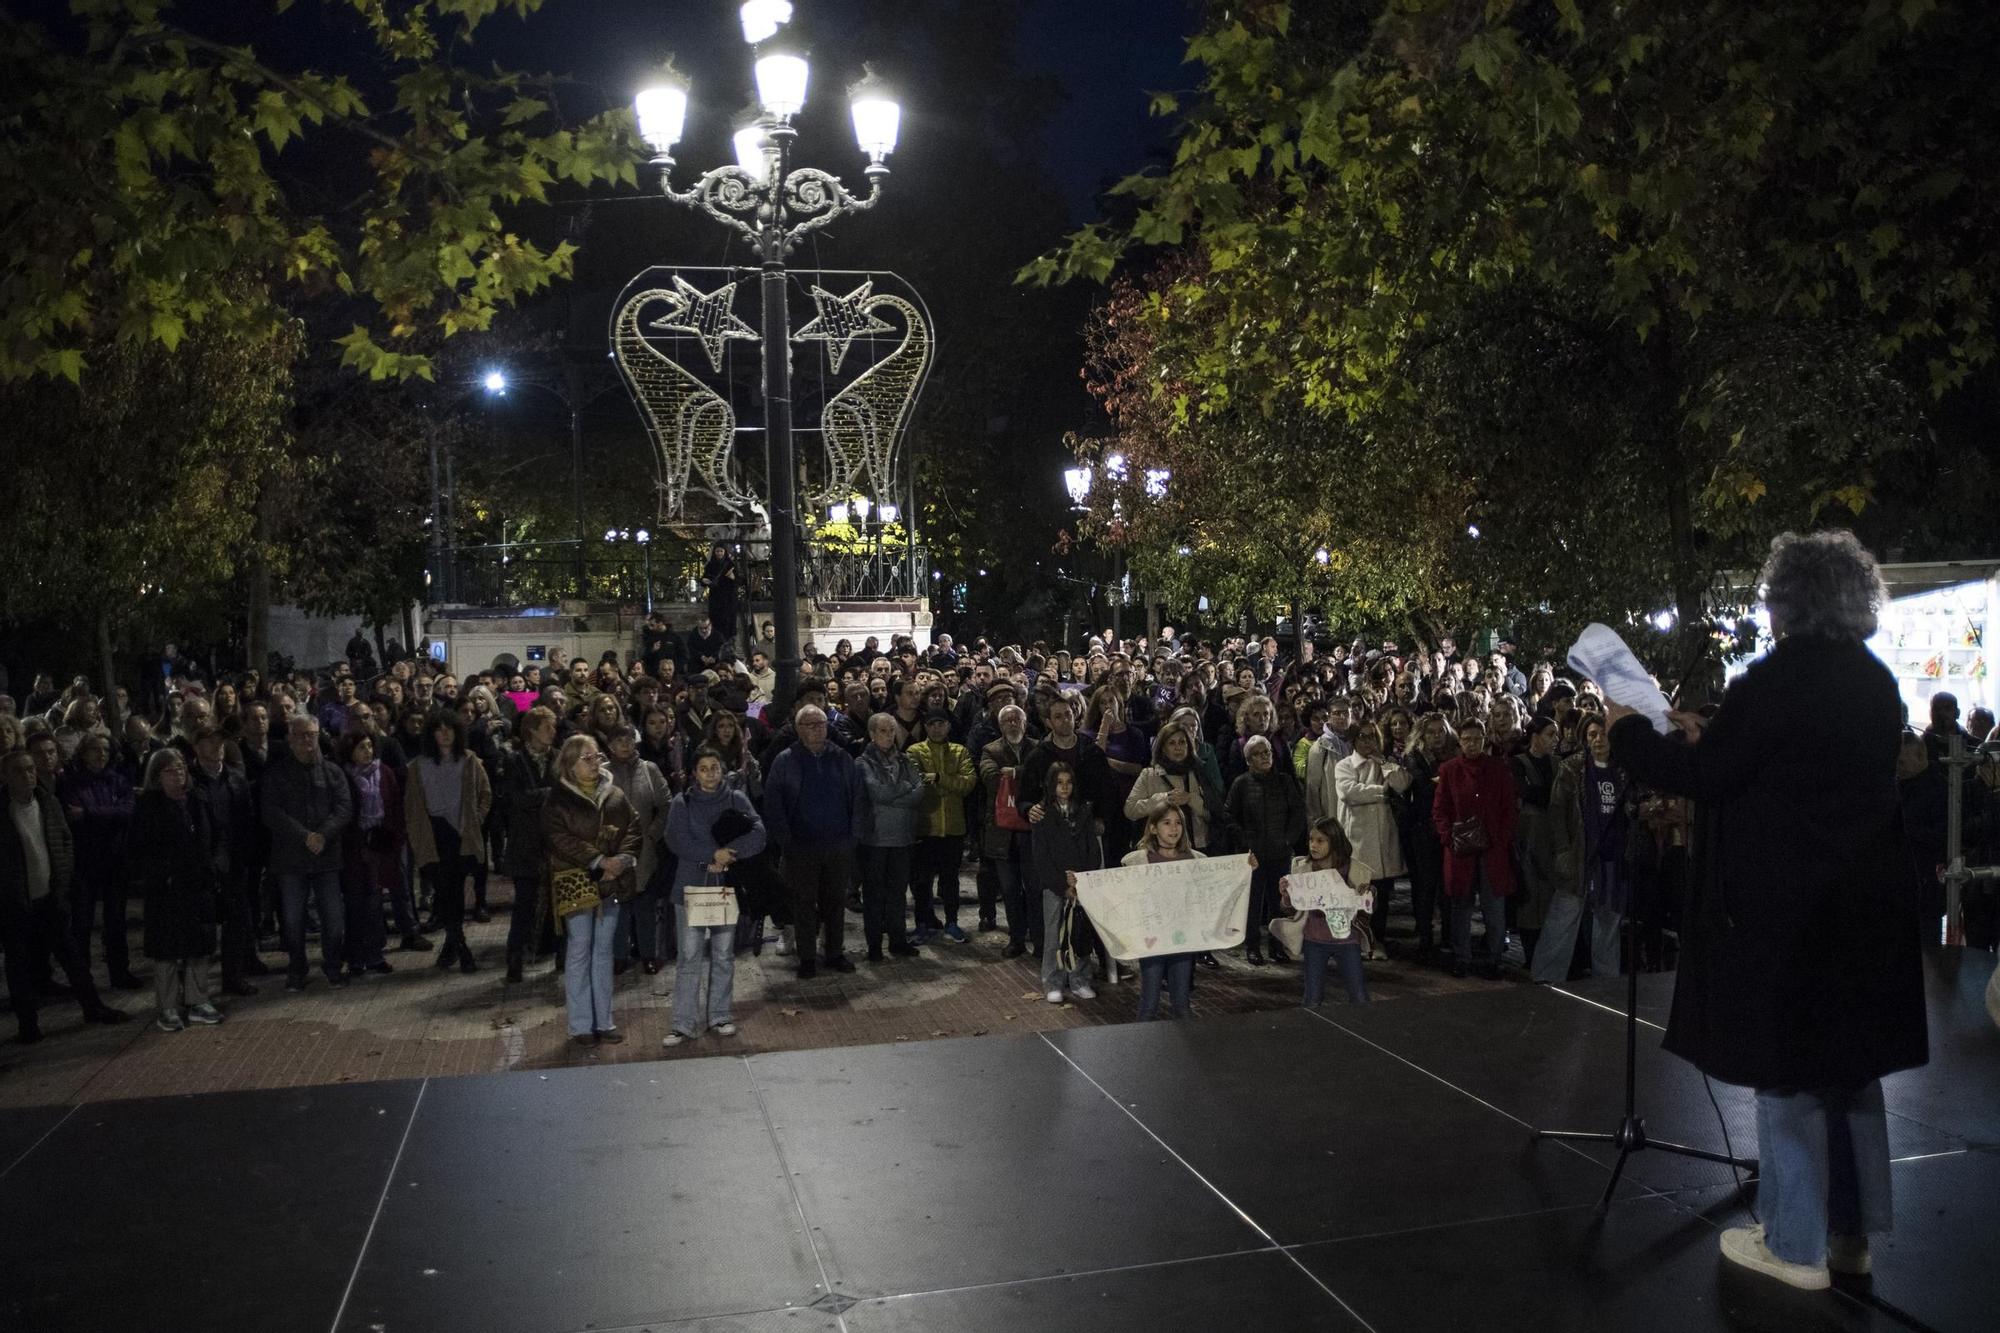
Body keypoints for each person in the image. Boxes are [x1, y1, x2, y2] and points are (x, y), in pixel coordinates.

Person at [1607, 530, 1927, 1291]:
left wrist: (1627, 732)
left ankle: (1792, 1244)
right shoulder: (1875, 683)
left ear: (1786, 604)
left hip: (1792, 912)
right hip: (1869, 909)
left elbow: (1709, 779)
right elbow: (1790, 767)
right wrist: (1716, 737)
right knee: (1852, 1073)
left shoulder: (1772, 683)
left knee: (1787, 1074)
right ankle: (1852, 1239)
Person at [1, 747, 132, 1042]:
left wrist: (62, 880)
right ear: (5, 776)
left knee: (72, 957)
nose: (27, 775)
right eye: (18, 771)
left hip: (49, 895)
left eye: (30, 769)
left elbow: (63, 840)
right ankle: (28, 1024)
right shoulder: (4, 812)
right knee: (19, 966)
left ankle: (93, 1006)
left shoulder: (47, 803)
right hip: (16, 903)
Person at [661, 747, 768, 1046]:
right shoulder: (683, 803)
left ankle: (720, 1015)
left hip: (724, 887)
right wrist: (712, 853)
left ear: (723, 770)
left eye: (715, 767)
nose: (710, 773)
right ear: (694, 772)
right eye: (704, 768)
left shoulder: (736, 799)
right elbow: (676, 839)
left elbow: (759, 834)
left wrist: (730, 855)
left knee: (723, 955)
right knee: (689, 956)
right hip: (691, 888)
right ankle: (683, 1023)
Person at [542, 734, 641, 1047]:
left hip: (610, 880)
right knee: (580, 948)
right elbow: (559, 837)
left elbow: (633, 827)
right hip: (577, 881)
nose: (596, 762)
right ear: (570, 765)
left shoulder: (614, 795)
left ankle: (604, 1020)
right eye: (588, 758)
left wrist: (622, 859)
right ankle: (580, 1024)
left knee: (603, 950)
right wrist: (597, 859)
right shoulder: (558, 799)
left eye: (597, 756)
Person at [765, 705, 864, 978]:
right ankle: (807, 957)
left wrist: (852, 836)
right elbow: (774, 805)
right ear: (799, 729)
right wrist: (786, 841)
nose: (817, 728)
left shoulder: (841, 757)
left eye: (820, 723)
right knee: (804, 903)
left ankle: (834, 952)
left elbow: (857, 798)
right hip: (801, 846)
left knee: (835, 902)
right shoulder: (785, 761)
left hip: (837, 844)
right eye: (810, 725)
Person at [132, 749, 226, 1031]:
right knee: (168, 951)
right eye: (170, 771)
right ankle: (168, 1006)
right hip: (167, 890)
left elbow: (213, 834)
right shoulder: (149, 806)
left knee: (200, 946)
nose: (178, 775)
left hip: (198, 884)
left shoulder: (196, 801)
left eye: (181, 769)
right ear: (157, 776)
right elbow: (140, 850)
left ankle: (198, 1000)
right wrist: (164, 874)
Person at [1537, 713, 1633, 983]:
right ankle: (1546, 978)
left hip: (1612, 859)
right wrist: (1563, 851)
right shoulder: (1572, 768)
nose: (1599, 740)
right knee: (1564, 916)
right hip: (1581, 853)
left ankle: (1607, 982)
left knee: (1608, 922)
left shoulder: (1625, 769)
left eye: (1603, 734)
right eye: (1592, 735)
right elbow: (1557, 813)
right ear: (1584, 738)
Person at [261, 715, 353, 992]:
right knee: (292, 920)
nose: (306, 740)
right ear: (290, 739)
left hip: (327, 857)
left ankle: (333, 966)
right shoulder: (276, 774)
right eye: (300, 735)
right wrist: (305, 837)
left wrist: (323, 834)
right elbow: (272, 812)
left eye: (311, 734)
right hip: (291, 860)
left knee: (334, 920)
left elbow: (344, 808)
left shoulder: (333, 772)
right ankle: (296, 969)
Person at [404, 709, 492, 974]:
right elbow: (411, 806)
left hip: (461, 834)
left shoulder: (469, 761)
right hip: (434, 834)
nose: (444, 734)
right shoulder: (418, 766)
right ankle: (459, 946)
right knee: (444, 892)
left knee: (453, 891)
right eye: (439, 729)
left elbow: (485, 794)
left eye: (449, 729)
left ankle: (455, 945)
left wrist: (475, 819)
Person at [56, 732, 142, 990]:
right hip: (86, 860)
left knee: (116, 919)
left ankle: (120, 972)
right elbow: (72, 815)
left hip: (114, 859)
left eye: (105, 749)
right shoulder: (71, 782)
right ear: (83, 753)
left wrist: (90, 813)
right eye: (95, 749)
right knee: (82, 923)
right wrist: (107, 815)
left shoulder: (117, 780)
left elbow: (127, 811)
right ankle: (83, 979)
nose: (101, 754)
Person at [1431, 717, 1516, 978]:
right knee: (1461, 905)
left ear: (1484, 740)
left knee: (1494, 906)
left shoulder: (1498, 768)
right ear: (1460, 741)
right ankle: (1462, 956)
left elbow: (1508, 808)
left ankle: (1494, 957)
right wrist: (1449, 837)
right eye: (1466, 739)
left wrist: (1501, 839)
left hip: (1492, 848)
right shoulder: (1449, 770)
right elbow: (1440, 809)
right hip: (1461, 849)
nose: (1471, 744)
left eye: (1476, 739)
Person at [188, 725, 263, 993]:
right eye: (210, 742)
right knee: (204, 926)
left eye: (220, 742)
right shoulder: (188, 780)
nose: (218, 747)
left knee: (237, 919)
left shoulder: (235, 778)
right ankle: (196, 987)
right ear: (197, 747)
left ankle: (233, 977)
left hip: (234, 860)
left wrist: (243, 854)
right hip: (202, 863)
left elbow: (247, 818)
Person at [1224, 735, 1306, 965]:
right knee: (1253, 903)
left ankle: (1276, 946)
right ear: (1248, 760)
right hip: (1254, 855)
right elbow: (1229, 815)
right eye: (1258, 754)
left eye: (1267, 752)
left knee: (1278, 901)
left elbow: (1298, 812)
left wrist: (1288, 839)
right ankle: (1252, 946)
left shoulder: (1285, 781)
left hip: (1280, 851)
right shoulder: (1241, 783)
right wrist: (1244, 840)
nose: (1265, 757)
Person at [1333, 720, 1411, 951]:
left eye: (1372, 737)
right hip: (1359, 839)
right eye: (1363, 737)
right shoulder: (1345, 765)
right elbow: (1349, 792)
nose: (1368, 742)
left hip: (1384, 839)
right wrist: (1380, 792)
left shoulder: (1385, 764)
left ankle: (1378, 938)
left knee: (1382, 895)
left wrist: (1385, 763)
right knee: (1360, 892)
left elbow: (1403, 783)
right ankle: (1358, 938)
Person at [1123, 805, 1206, 1020]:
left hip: (1182, 939)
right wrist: (1080, 883)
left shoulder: (1196, 860)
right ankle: (1143, 1050)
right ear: (1153, 828)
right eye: (1166, 823)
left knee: (1182, 1003)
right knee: (1149, 1002)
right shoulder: (1138, 861)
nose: (1174, 828)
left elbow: (1218, 885)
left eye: (1178, 823)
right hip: (1153, 941)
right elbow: (1118, 892)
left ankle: (1187, 1051)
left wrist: (1245, 867)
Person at [1277, 818, 1372, 1006]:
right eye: (1311, 840)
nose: (1313, 845)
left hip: (1346, 940)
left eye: (1320, 841)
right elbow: (1289, 909)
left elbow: (1368, 906)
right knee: (1312, 998)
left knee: (1359, 996)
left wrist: (1367, 896)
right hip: (1315, 940)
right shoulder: (1303, 870)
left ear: (1334, 841)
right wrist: (1286, 895)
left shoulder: (1354, 870)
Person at [856, 714, 924, 962]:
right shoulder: (863, 763)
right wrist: (904, 789)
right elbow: (877, 792)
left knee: (898, 893)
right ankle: (874, 945)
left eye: (891, 731)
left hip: (903, 837)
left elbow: (920, 791)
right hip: (875, 839)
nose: (888, 736)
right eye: (883, 731)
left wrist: (899, 795)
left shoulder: (905, 760)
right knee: (874, 895)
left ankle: (898, 940)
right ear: (872, 734)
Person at [498, 706, 558, 983]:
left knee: (558, 902)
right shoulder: (515, 761)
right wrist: (548, 793)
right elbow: (516, 799)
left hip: (554, 841)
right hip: (525, 842)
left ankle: (557, 952)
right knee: (524, 902)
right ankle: (515, 957)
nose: (553, 732)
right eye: (547, 727)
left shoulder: (558, 759)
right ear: (532, 730)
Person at [1033, 762, 1102, 1003]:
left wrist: (1083, 879)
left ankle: (1080, 980)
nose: (1064, 787)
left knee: (1079, 934)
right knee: (1054, 934)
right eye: (1059, 783)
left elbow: (1092, 848)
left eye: (1068, 782)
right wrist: (1062, 882)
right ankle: (1053, 982)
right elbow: (1041, 857)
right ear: (1051, 785)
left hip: (1081, 884)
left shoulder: (1083, 811)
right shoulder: (1042, 814)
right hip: (1055, 886)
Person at [605, 725, 671, 974]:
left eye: (629, 740)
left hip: (644, 849)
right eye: (618, 740)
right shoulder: (604, 773)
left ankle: (648, 954)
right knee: (618, 904)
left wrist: (653, 834)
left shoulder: (649, 769)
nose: (625, 745)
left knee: (644, 904)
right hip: (615, 849)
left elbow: (666, 805)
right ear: (610, 746)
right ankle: (619, 955)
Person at [907, 709, 977, 943]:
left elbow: (967, 783)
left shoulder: (960, 751)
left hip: (953, 828)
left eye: (941, 723)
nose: (936, 728)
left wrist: (938, 778)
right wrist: (949, 782)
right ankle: (922, 924)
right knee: (922, 881)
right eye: (932, 724)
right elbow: (915, 781)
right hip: (926, 828)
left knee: (950, 880)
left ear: (948, 726)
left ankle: (952, 922)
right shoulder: (915, 751)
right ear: (925, 727)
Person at [978, 703, 1035, 958]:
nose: (1013, 724)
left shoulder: (1037, 747)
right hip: (1003, 832)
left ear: (1024, 722)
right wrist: (1025, 775)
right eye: (1008, 720)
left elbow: (1044, 775)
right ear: (1000, 726)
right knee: (1010, 888)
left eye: (1016, 719)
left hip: (1033, 829)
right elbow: (990, 778)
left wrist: (1016, 772)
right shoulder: (990, 750)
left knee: (1034, 886)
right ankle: (1017, 937)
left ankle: (1040, 936)